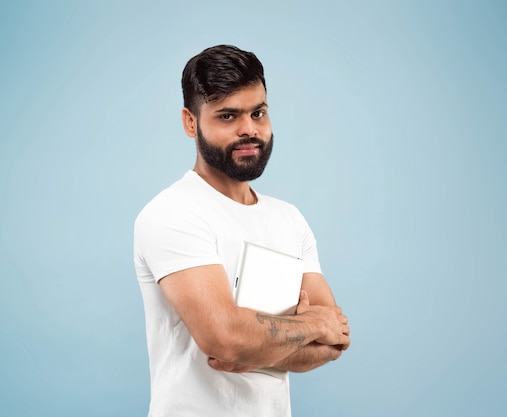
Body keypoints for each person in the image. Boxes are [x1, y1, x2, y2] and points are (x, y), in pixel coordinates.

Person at [133, 44, 350, 417]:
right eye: (228, 116)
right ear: (190, 122)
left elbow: (335, 341)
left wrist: (255, 348)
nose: (249, 129)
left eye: (258, 113)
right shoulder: (172, 213)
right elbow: (225, 339)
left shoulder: (289, 219)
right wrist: (311, 323)